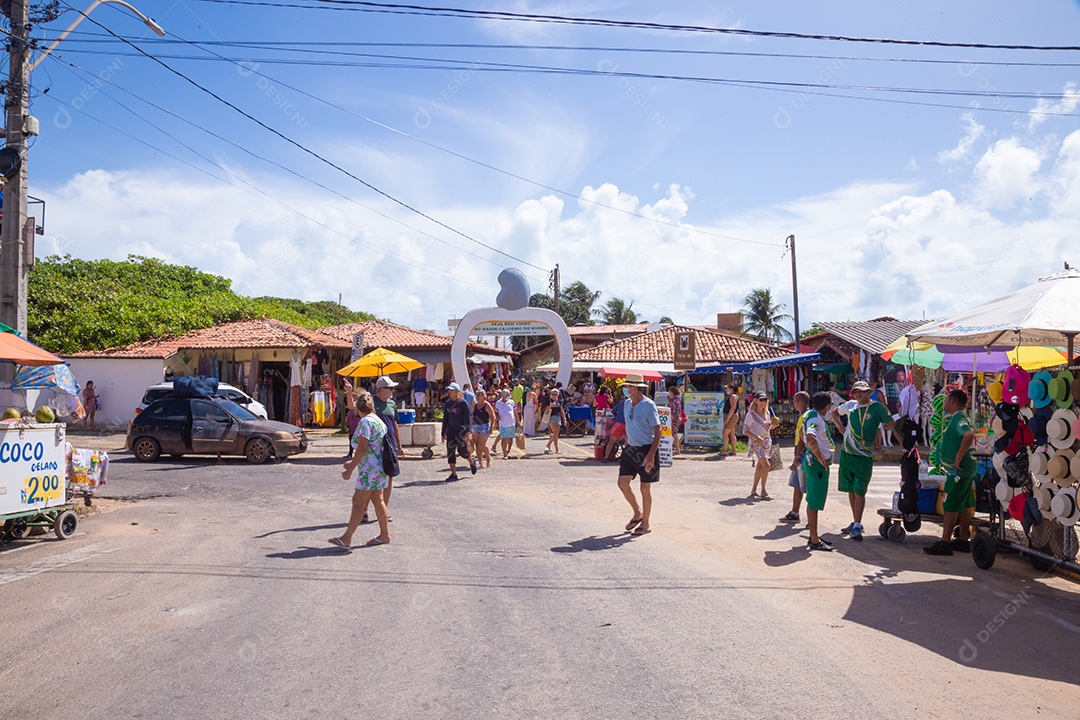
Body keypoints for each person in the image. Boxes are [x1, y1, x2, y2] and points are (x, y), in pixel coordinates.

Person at [833, 380, 895, 541]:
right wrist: (840, 428)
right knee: (851, 490)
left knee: (860, 490)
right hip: (847, 454)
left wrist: (906, 445)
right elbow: (834, 413)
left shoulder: (877, 407)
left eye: (862, 391)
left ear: (869, 392)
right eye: (856, 392)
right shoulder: (850, 405)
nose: (859, 394)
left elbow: (892, 425)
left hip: (864, 456)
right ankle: (855, 522)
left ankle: (857, 524)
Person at [329, 390, 391, 549]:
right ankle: (384, 534)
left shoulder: (365, 423)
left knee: (358, 502)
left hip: (369, 471)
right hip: (379, 468)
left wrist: (350, 470)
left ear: (358, 407)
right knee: (378, 500)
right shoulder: (378, 420)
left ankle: (347, 537)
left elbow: (362, 449)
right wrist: (352, 462)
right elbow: (371, 448)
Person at [924, 389, 977, 556]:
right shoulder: (959, 417)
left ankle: (945, 542)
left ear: (953, 401)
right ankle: (962, 539)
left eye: (947, 400)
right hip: (963, 469)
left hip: (958, 470)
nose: (944, 403)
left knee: (950, 503)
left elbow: (968, 435)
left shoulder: (958, 417)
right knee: (966, 502)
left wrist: (958, 458)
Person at [617, 373, 662, 536]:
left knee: (645, 487)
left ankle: (645, 523)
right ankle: (637, 512)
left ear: (634, 388)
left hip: (646, 449)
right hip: (630, 448)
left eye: (627, 386)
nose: (625, 389)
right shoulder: (627, 404)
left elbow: (658, 432)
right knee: (622, 483)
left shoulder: (648, 405)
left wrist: (650, 455)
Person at [803, 392, 836, 551]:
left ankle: (813, 535)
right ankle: (814, 539)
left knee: (813, 499)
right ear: (828, 406)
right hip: (816, 464)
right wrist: (820, 458)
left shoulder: (811, 415)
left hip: (812, 462)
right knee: (815, 500)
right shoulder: (816, 418)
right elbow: (810, 437)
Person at [779, 391, 811, 524]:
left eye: (794, 401)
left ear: (798, 402)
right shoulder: (805, 416)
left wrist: (796, 459)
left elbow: (802, 441)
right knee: (797, 485)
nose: (793, 403)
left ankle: (811, 518)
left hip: (803, 458)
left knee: (808, 487)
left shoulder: (805, 417)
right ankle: (794, 513)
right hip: (800, 457)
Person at [441, 383, 476, 481]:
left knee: (462, 452)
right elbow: (445, 419)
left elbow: (468, 418)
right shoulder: (447, 403)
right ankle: (454, 474)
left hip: (460, 432)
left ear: (457, 391)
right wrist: (443, 433)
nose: (450, 392)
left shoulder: (463, 403)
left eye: (452, 390)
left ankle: (472, 462)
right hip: (451, 431)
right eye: (449, 390)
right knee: (450, 453)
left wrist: (468, 432)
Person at [744, 393, 775, 499]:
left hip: (766, 442)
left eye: (765, 400)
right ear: (756, 401)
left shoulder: (767, 413)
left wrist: (773, 426)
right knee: (766, 466)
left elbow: (766, 428)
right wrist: (756, 437)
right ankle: (763, 491)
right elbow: (745, 430)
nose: (763, 402)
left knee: (760, 466)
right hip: (757, 443)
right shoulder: (751, 414)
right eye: (761, 400)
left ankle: (754, 490)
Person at [470, 390, 496, 468]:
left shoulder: (487, 405)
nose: (478, 397)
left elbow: (493, 416)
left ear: (483, 396)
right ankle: (480, 462)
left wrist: (491, 427)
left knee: (481, 445)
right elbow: (472, 416)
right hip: (475, 426)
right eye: (477, 395)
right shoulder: (475, 405)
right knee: (477, 445)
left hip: (484, 426)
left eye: (479, 395)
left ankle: (488, 457)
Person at [495, 389, 518, 460]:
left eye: (509, 395)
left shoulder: (511, 402)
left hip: (511, 423)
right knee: (504, 439)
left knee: (510, 438)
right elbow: (496, 412)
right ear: (502, 395)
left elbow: (515, 411)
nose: (508, 396)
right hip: (503, 424)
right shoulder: (498, 403)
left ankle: (508, 451)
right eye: (506, 395)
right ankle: (504, 453)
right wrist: (497, 417)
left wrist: (518, 421)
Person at [869, 381, 893, 447]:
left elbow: (883, 403)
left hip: (878, 412)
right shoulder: (867, 393)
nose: (871, 386)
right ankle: (880, 442)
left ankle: (885, 442)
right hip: (870, 413)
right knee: (875, 429)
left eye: (873, 384)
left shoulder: (878, 393)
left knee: (883, 427)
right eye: (870, 384)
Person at [604, 392, 627, 461]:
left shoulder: (621, 403)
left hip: (619, 423)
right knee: (628, 441)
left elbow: (613, 412)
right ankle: (626, 458)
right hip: (628, 424)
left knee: (611, 441)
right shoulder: (633, 403)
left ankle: (606, 457)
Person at [544, 387, 567, 454]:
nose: (554, 396)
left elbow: (561, 410)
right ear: (551, 394)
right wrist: (550, 406)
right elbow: (546, 411)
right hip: (551, 417)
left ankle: (548, 445)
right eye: (553, 394)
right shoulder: (549, 401)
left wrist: (564, 419)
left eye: (556, 394)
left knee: (556, 434)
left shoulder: (559, 401)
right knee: (555, 433)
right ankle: (557, 449)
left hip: (558, 417)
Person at [721, 383, 739, 455]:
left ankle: (724, 450)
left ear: (732, 389)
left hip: (731, 416)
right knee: (731, 433)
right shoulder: (731, 396)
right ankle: (733, 450)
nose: (726, 390)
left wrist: (728, 418)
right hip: (731, 416)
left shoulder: (733, 397)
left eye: (727, 388)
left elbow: (733, 408)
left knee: (725, 433)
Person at [667, 384, 684, 455]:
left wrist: (670, 420)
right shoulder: (676, 399)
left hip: (674, 419)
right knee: (674, 434)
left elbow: (673, 412)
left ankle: (677, 449)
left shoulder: (674, 401)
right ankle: (676, 448)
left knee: (674, 434)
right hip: (677, 419)